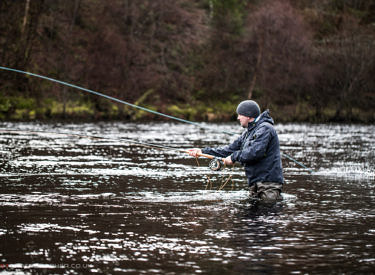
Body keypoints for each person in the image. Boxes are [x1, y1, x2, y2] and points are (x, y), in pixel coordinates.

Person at [187, 100, 284, 202]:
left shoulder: (265, 129)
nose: (238, 118)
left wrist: (233, 157)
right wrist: (202, 151)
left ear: (248, 116)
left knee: (267, 212)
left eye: (240, 115)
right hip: (255, 184)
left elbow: (254, 153)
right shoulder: (248, 133)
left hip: (268, 185)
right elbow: (229, 150)